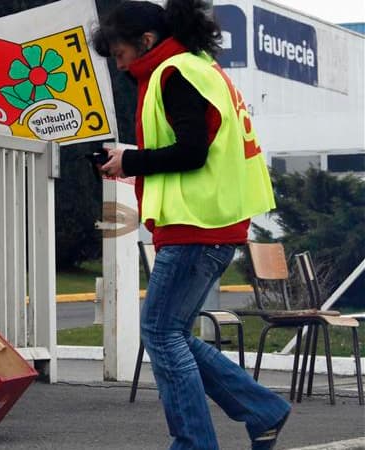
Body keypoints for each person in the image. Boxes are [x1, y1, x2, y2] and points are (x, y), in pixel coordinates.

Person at [91, 1, 291, 449]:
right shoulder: (199, 66)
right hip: (210, 224)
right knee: (170, 332)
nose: (120, 64)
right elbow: (196, 145)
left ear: (146, 41)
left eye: (120, 55)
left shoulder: (174, 73)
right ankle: (263, 410)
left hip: (196, 225)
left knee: (161, 333)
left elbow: (192, 151)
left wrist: (132, 160)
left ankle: (199, 442)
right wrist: (130, 162)